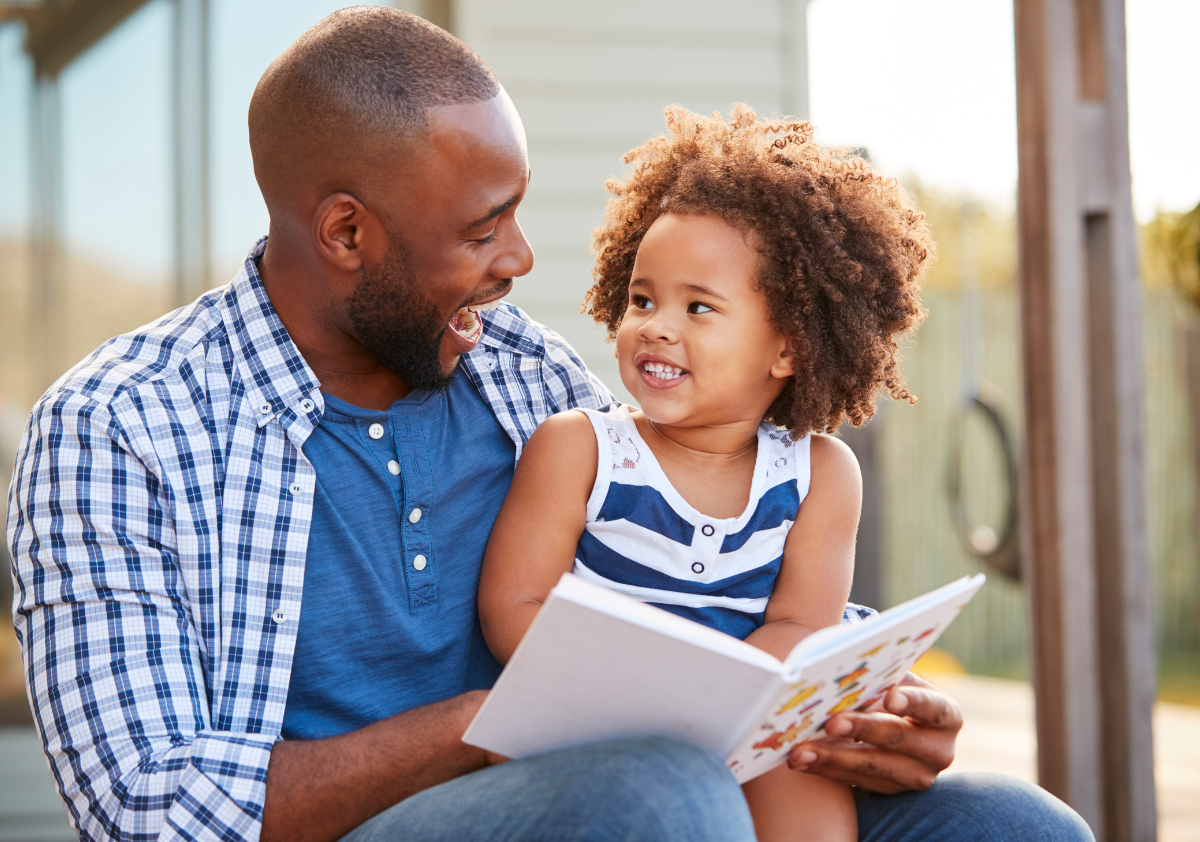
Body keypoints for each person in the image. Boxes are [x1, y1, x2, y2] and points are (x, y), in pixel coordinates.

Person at [5, 8, 1093, 842]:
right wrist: (485, 726)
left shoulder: (524, 372)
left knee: (1014, 824)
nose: (523, 260)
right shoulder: (119, 429)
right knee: (660, 791)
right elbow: (148, 806)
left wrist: (862, 702)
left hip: (632, 789)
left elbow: (702, 570)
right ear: (347, 231)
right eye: (485, 228)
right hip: (404, 820)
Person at [477, 104, 933, 842]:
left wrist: (717, 698)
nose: (657, 325)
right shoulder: (580, 449)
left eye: (699, 307)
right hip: (594, 720)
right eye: (643, 299)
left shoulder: (819, 475)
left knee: (802, 776)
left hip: (744, 716)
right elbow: (514, 607)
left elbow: (799, 626)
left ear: (786, 348)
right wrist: (645, 695)